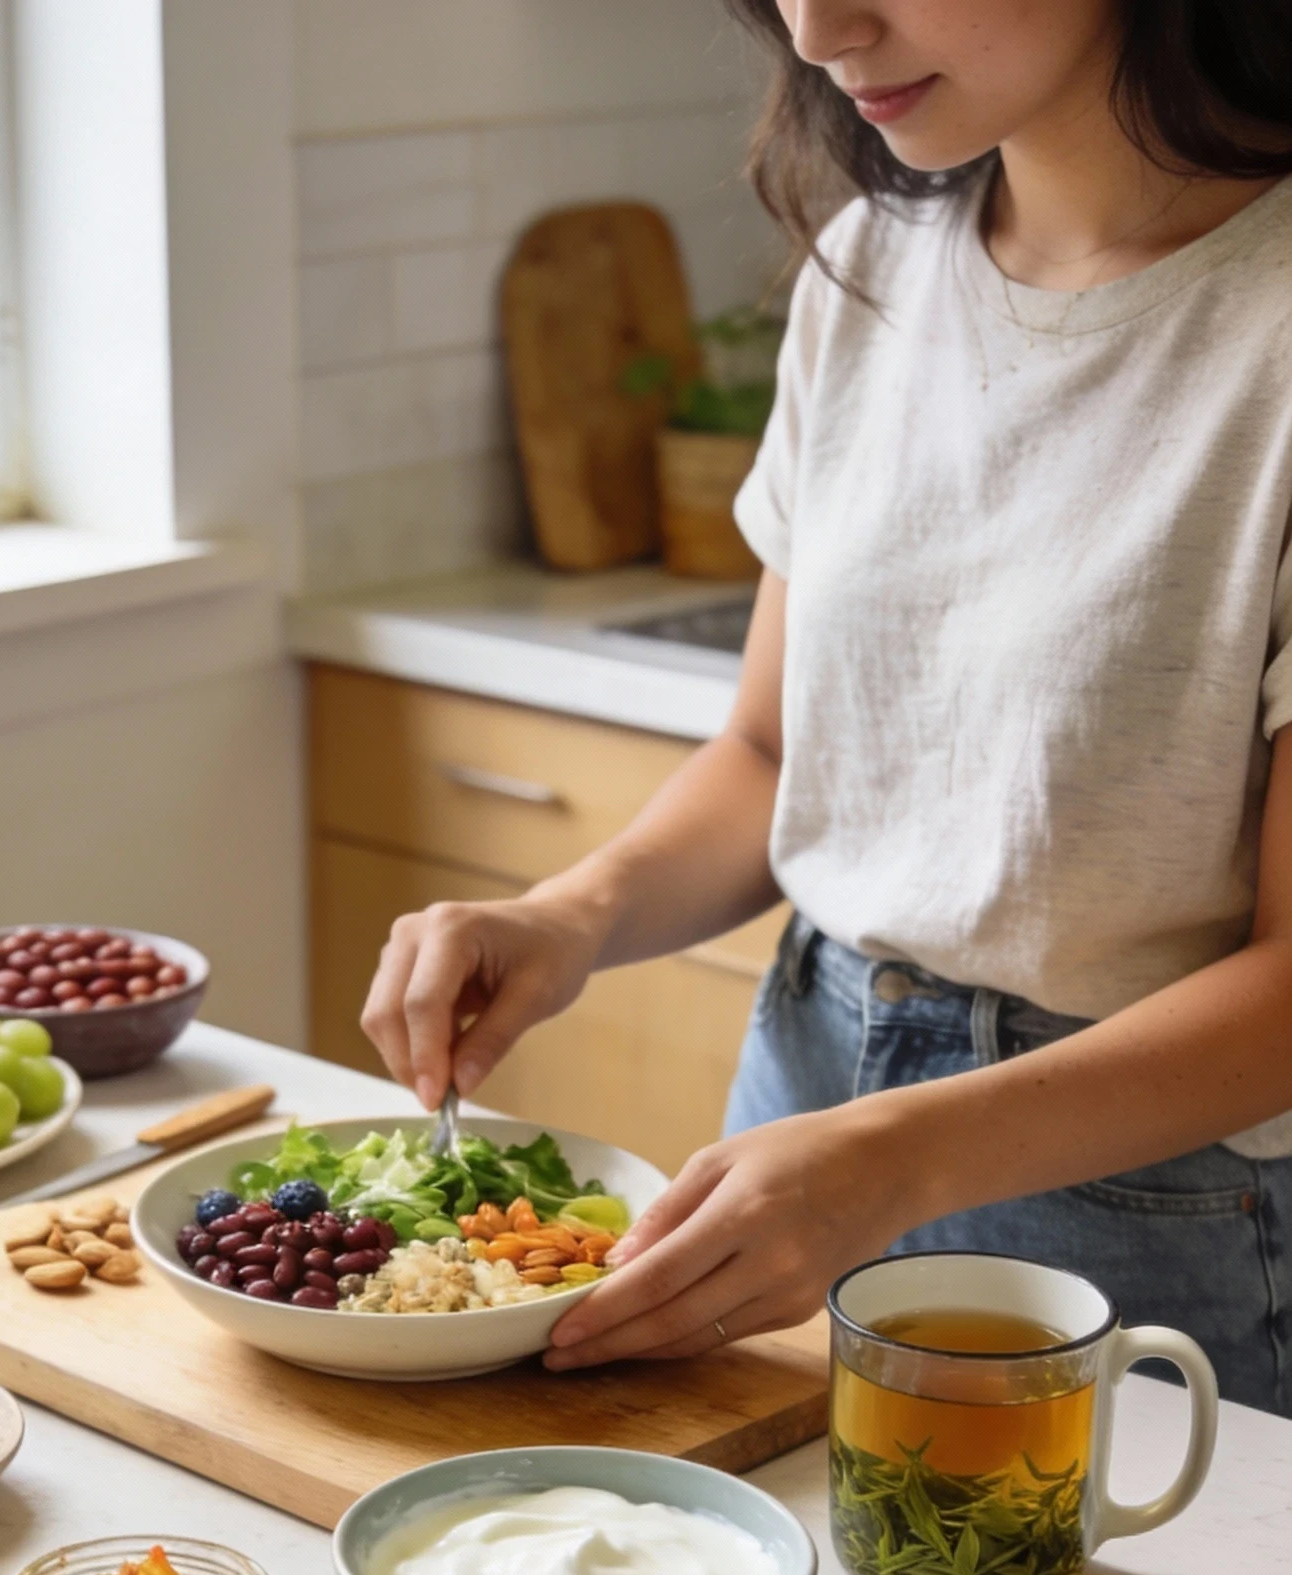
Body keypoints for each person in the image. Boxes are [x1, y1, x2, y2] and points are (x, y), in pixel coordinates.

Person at [359, 0, 1292, 1412]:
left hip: (1148, 1199)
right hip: (806, 1088)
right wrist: (574, 913)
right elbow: (772, 750)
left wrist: (896, 1156)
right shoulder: (872, 263)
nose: (815, 30)